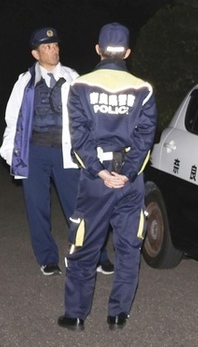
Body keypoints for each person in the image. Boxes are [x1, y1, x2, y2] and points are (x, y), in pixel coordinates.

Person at [58, 22, 156, 331]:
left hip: (95, 180)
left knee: (85, 246)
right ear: (127, 52)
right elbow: (145, 139)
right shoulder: (143, 88)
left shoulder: (80, 86)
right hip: (131, 182)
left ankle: (75, 315)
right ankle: (118, 315)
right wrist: (126, 174)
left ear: (98, 49)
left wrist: (101, 172)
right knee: (128, 249)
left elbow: (79, 138)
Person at [0, 27, 113, 276]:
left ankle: (94, 254)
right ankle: (47, 257)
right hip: (34, 153)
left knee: (79, 207)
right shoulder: (25, 82)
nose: (54, 50)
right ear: (35, 53)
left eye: (56, 45)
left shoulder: (73, 78)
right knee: (37, 207)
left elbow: (89, 118)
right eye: (48, 47)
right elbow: (13, 119)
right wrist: (11, 153)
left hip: (67, 153)